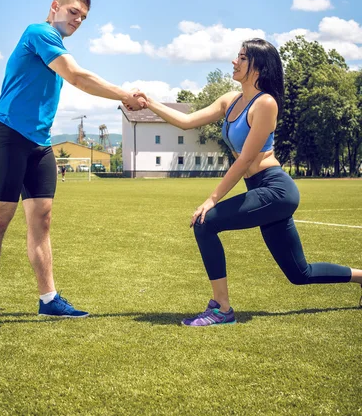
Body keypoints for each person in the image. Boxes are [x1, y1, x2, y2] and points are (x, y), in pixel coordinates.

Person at [139, 38, 362, 326]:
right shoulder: (229, 100)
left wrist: (212, 199)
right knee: (299, 274)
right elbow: (187, 121)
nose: (235, 61)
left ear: (258, 68)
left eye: (242, 58)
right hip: (259, 190)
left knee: (205, 223)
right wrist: (149, 102)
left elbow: (244, 160)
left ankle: (222, 309)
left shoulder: (266, 104)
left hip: (276, 190)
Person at [0, 0, 146, 331]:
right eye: (73, 12)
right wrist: (126, 95)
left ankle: (48, 299)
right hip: (9, 134)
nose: (78, 20)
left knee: (42, 220)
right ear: (55, 7)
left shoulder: (56, 44)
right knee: (0, 218)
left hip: (39, 143)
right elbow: (79, 78)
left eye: (83, 17)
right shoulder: (39, 33)